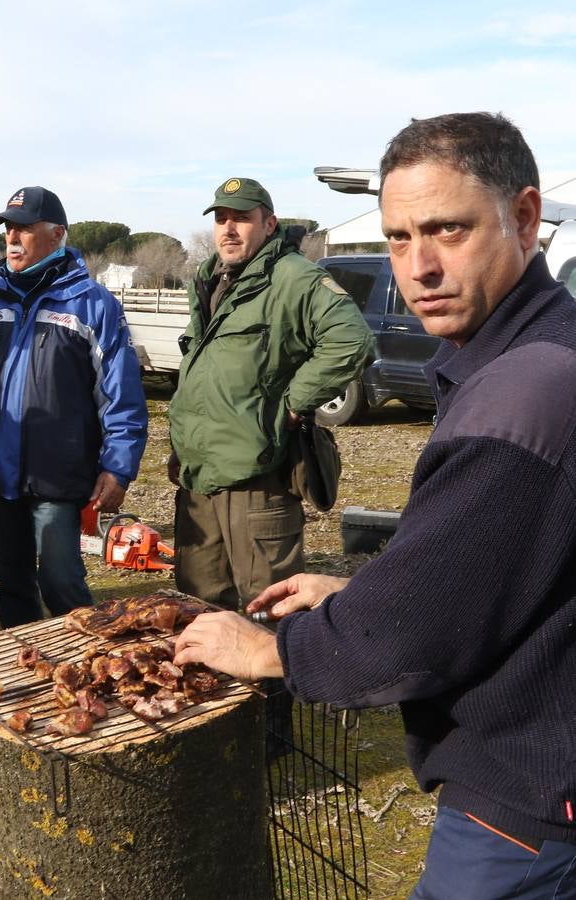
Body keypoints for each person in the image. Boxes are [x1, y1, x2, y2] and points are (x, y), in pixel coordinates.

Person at [175, 113, 576, 897]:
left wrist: (273, 652)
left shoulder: (529, 392)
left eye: (447, 230)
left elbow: (414, 633)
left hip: (526, 802)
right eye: (397, 238)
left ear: (524, 218)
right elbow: (501, 572)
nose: (417, 266)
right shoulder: (529, 353)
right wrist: (364, 591)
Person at [0, 186, 147, 628]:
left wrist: (118, 468)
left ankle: (88, 672)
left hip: (57, 477)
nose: (12, 237)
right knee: (13, 587)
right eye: (8, 228)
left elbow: (121, 395)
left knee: (61, 584)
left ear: (57, 234)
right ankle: (26, 671)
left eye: (24, 228)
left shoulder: (92, 305)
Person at [167, 177, 374, 611]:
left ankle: (276, 683)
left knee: (268, 610)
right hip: (199, 474)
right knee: (198, 611)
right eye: (222, 218)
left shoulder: (293, 277)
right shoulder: (212, 281)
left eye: (241, 219)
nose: (228, 228)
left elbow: (351, 339)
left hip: (256, 477)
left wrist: (296, 404)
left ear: (269, 223)